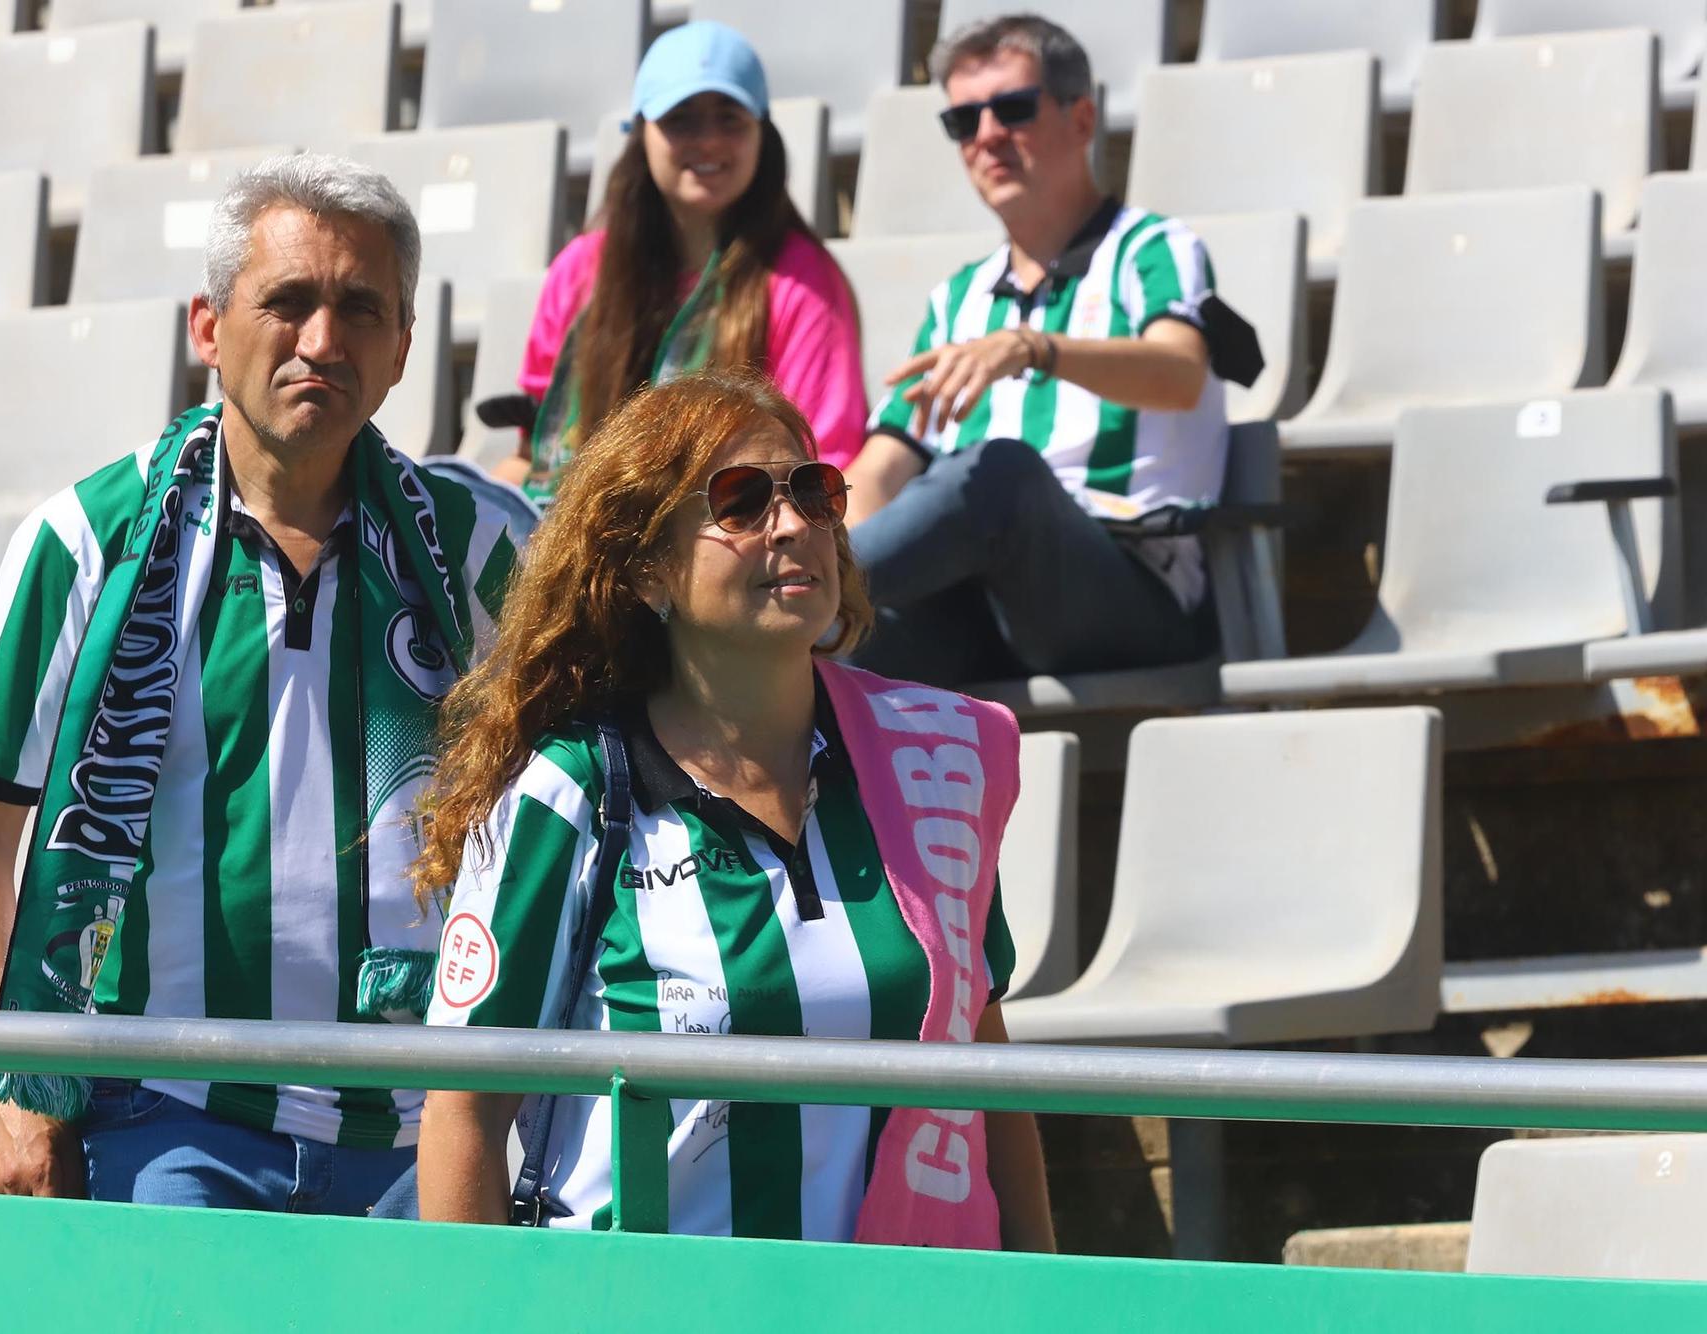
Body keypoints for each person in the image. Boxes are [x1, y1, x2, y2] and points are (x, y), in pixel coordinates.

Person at [0, 152, 521, 1213]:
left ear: (400, 352)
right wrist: (7, 1080)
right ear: (207, 328)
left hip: (417, 1136)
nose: (322, 342)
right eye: (286, 302)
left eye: (359, 309)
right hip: (167, 1121)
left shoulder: (478, 550)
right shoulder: (87, 541)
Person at [412, 369, 1053, 1249]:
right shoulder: (571, 793)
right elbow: (464, 1114)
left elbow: (983, 1064)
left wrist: (1043, 1290)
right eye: (742, 502)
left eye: (812, 493)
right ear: (648, 570)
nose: (792, 525)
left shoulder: (930, 761)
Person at [844, 13, 1241, 688]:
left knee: (1000, 475)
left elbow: (1180, 373)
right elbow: (879, 472)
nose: (988, 136)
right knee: (831, 653)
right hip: (984, 615)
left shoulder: (1155, 249)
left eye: (1014, 109)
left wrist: (1035, 349)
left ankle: (765, 605)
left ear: (1082, 120)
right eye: (964, 122)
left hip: (1131, 594)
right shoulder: (958, 299)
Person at [495, 19, 866, 503]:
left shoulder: (805, 281)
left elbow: (819, 467)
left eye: (729, 117)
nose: (707, 140)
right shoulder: (580, 270)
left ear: (762, 133)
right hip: (578, 534)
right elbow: (535, 452)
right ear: (641, 133)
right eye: (680, 119)